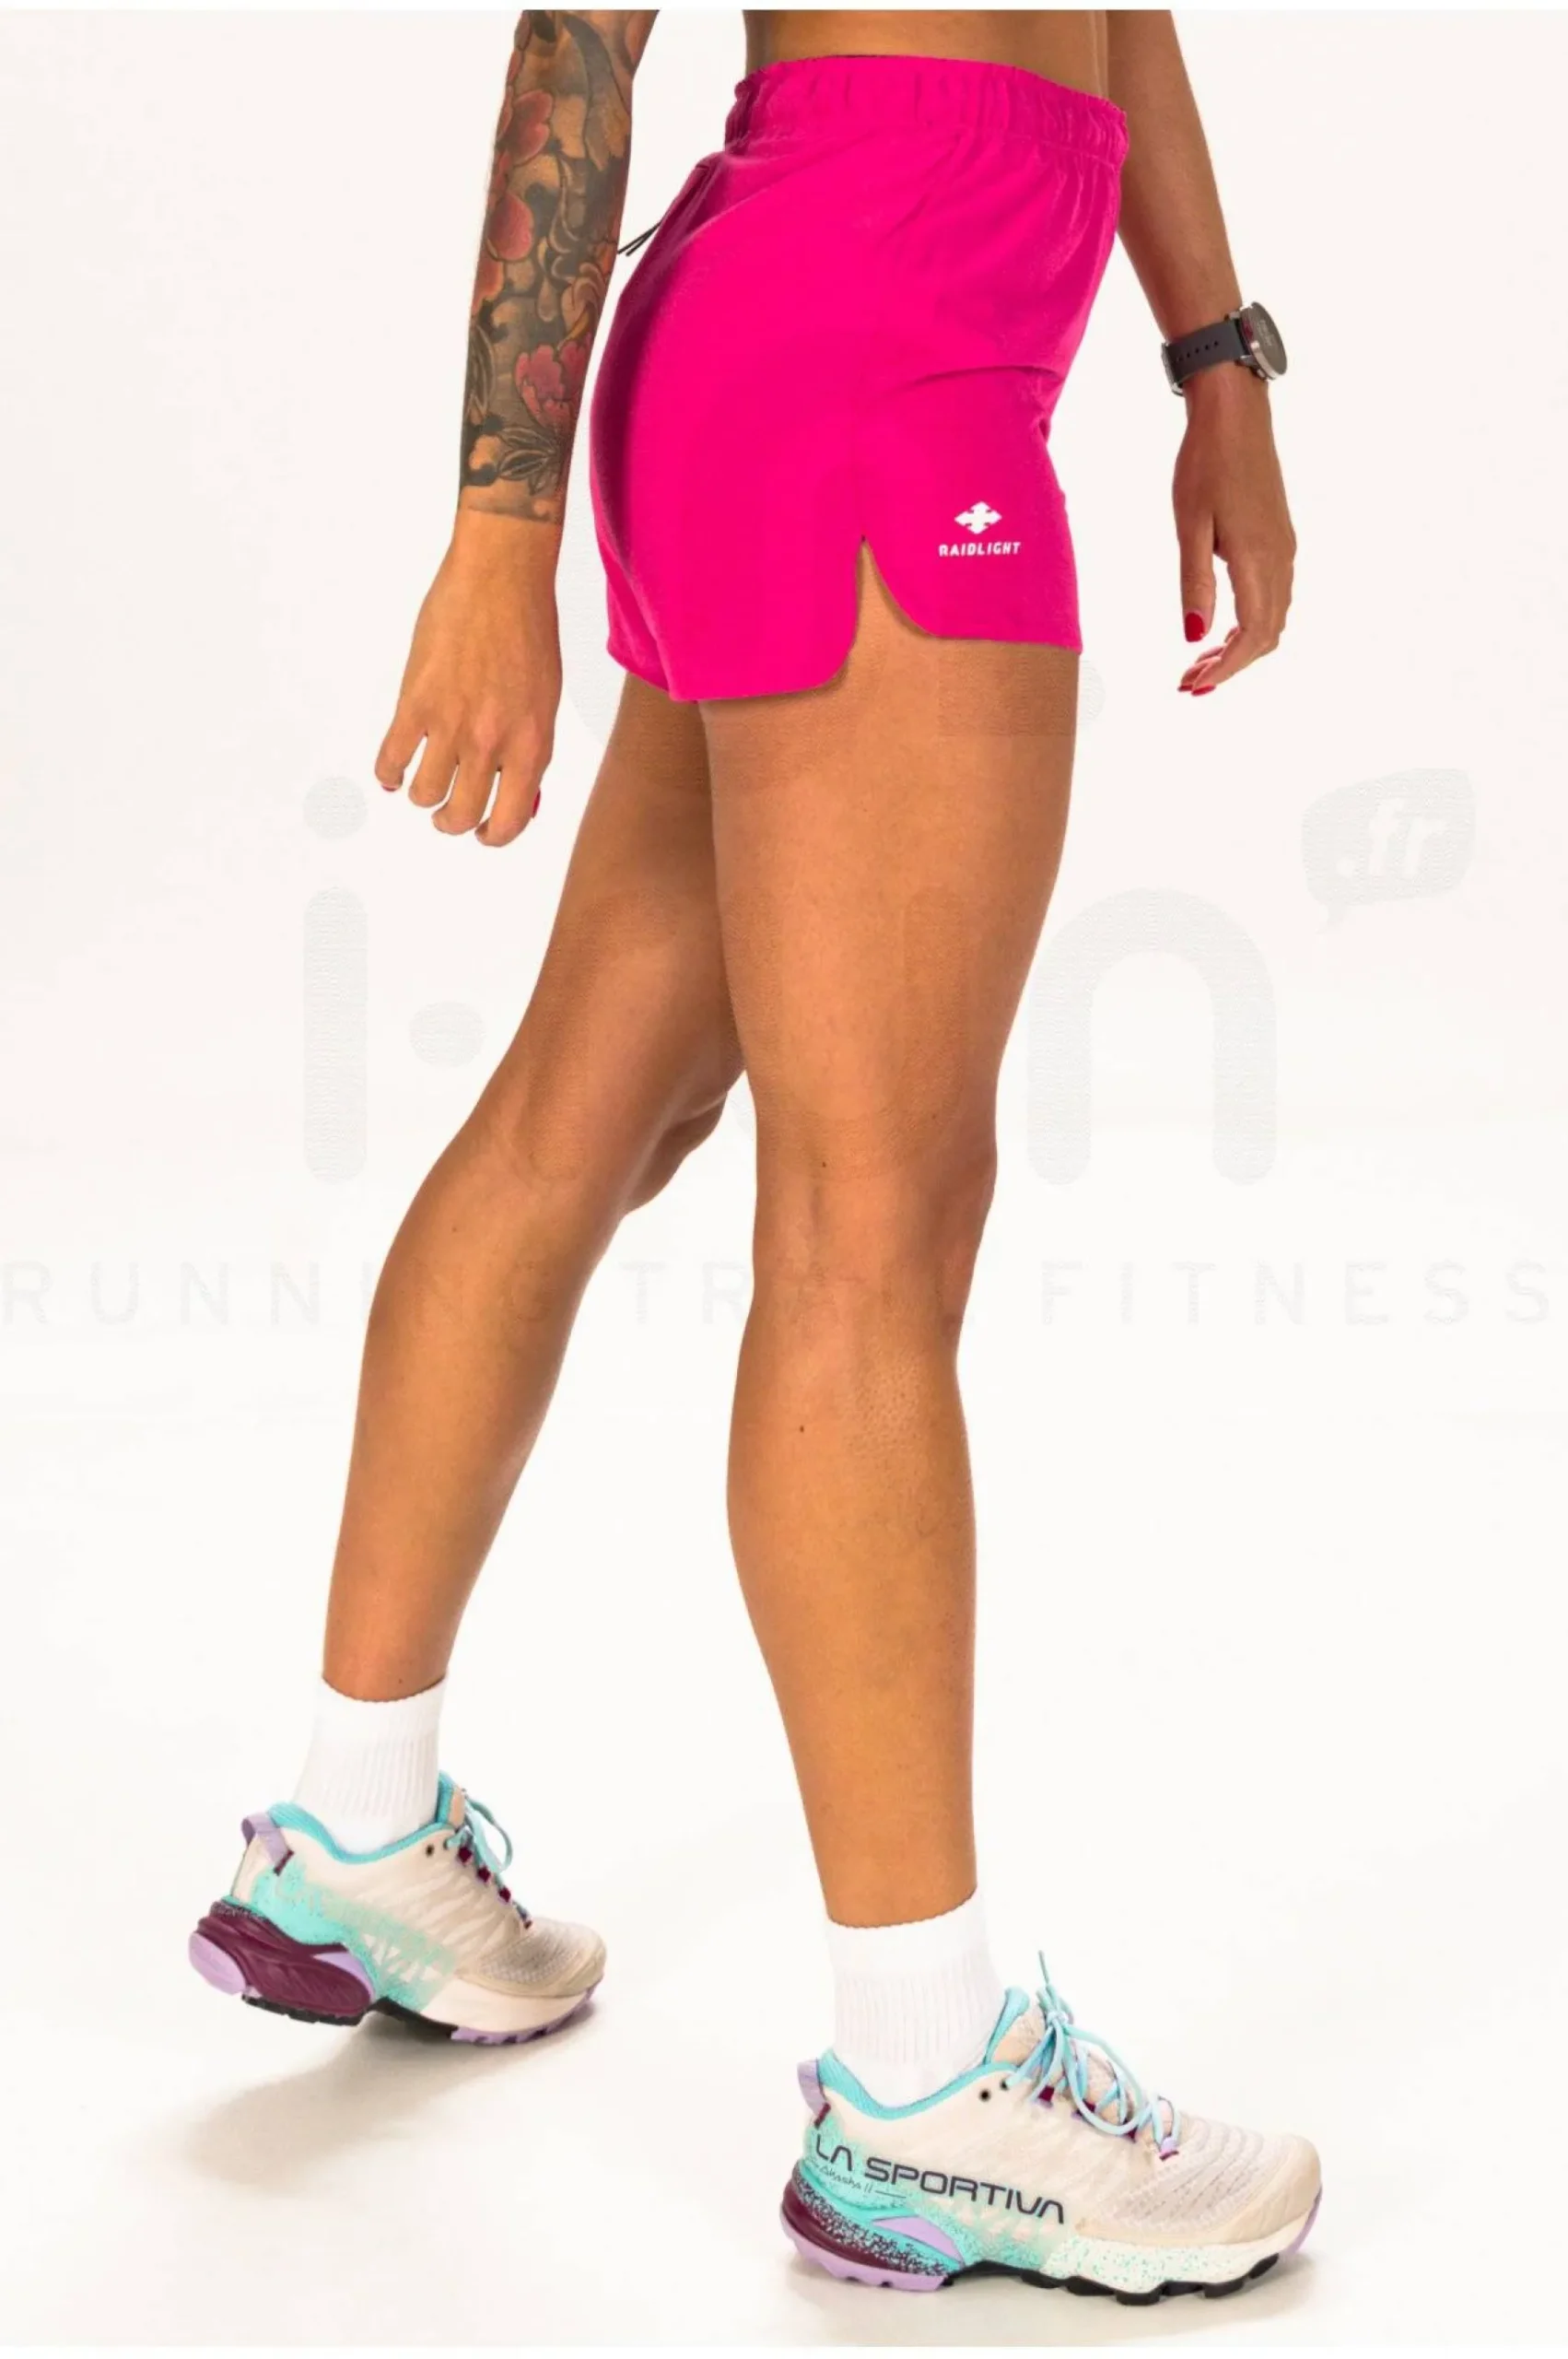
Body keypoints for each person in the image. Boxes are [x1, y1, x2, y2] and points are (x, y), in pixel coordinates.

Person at [189, 8, 1318, 2301]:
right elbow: (575, 38)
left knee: (594, 1105)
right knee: (874, 1220)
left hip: (836, 326)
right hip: (879, 344)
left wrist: (1216, 360)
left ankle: (355, 1827)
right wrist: (494, 536)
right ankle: (925, 2085)